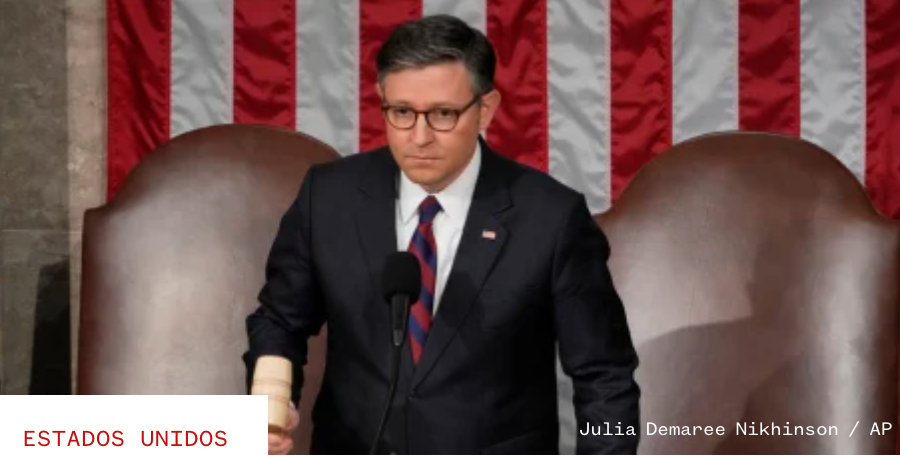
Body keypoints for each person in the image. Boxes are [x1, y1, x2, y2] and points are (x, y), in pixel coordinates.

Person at [244, 14, 640, 455]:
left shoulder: (551, 218)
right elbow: (280, 322)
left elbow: (605, 376)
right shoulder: (328, 198)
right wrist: (272, 403)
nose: (420, 137)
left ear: (486, 109)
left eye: (443, 114)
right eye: (401, 112)